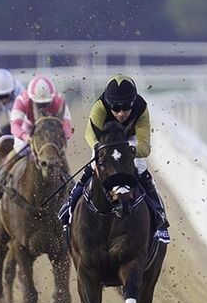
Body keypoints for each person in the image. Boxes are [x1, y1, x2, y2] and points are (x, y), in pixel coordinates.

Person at [58, 74, 169, 243]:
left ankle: (158, 213)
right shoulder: (100, 106)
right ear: (109, 105)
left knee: (140, 165)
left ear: (133, 103)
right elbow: (90, 134)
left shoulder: (141, 108)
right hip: (106, 143)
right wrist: (99, 149)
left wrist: (129, 151)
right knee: (94, 165)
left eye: (125, 109)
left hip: (128, 143)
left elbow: (145, 146)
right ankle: (70, 206)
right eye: (116, 109)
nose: (121, 114)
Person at [0, 74, 73, 198]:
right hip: (28, 128)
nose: (43, 106)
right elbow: (15, 125)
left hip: (50, 130)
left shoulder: (59, 99)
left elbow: (67, 124)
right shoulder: (22, 99)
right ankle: (0, 179)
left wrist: (62, 137)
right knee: (19, 149)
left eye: (46, 103)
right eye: (39, 103)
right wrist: (26, 137)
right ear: (31, 98)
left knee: (58, 153)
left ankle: (70, 184)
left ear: (52, 97)